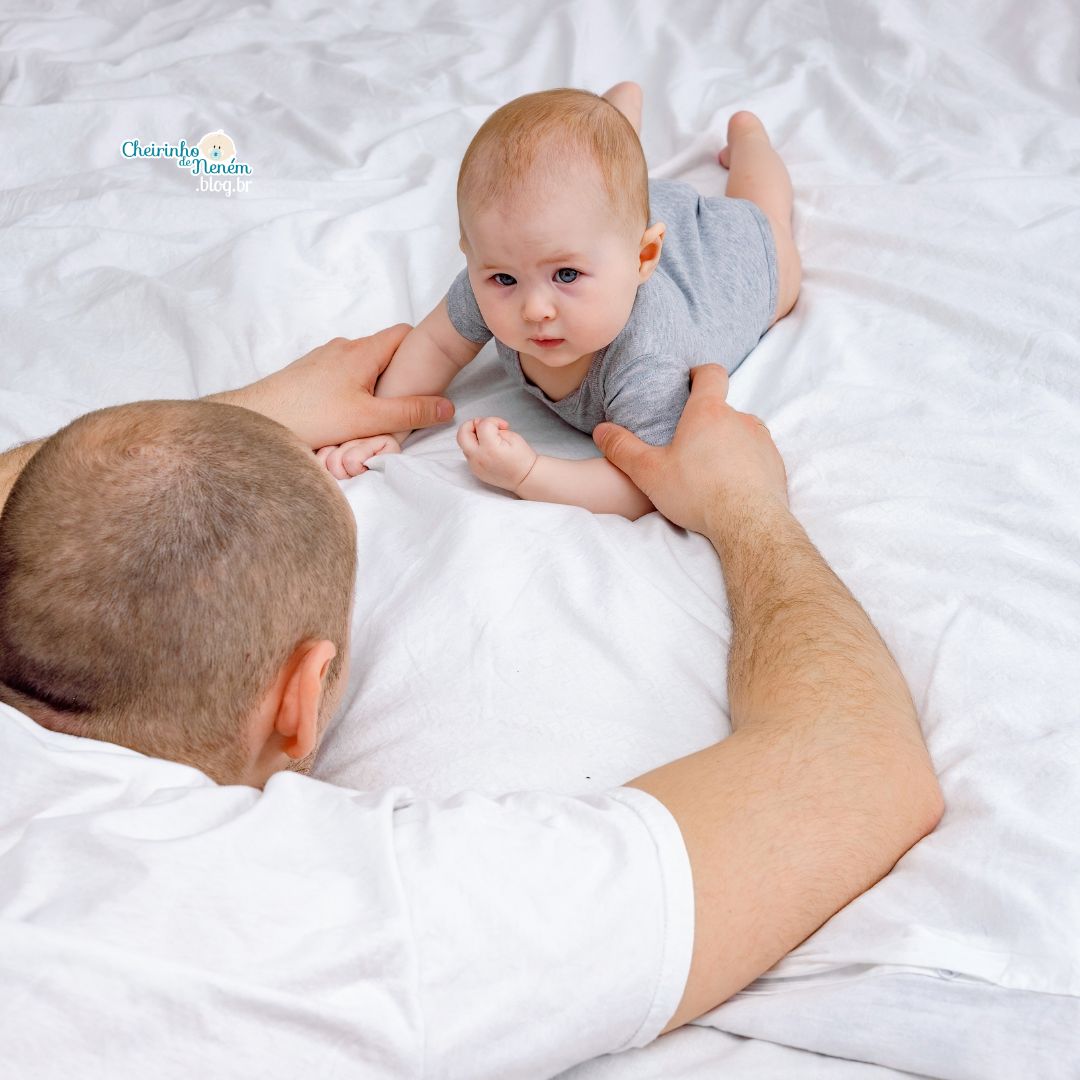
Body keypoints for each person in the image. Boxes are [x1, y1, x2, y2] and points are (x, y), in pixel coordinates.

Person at [0, 327, 943, 1079]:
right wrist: (747, 510)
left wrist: (225, 429)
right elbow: (858, 775)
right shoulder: (327, 926)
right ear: (299, 702)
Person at [317, 83, 801, 520]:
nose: (534, 309)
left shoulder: (646, 365)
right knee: (592, 182)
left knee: (763, 211)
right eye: (503, 277)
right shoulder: (509, 273)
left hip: (734, 263)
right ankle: (615, 120)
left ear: (643, 256)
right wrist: (387, 424)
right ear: (472, 257)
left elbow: (653, 482)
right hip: (602, 233)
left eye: (566, 275)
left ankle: (750, 137)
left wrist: (530, 475)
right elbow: (437, 346)